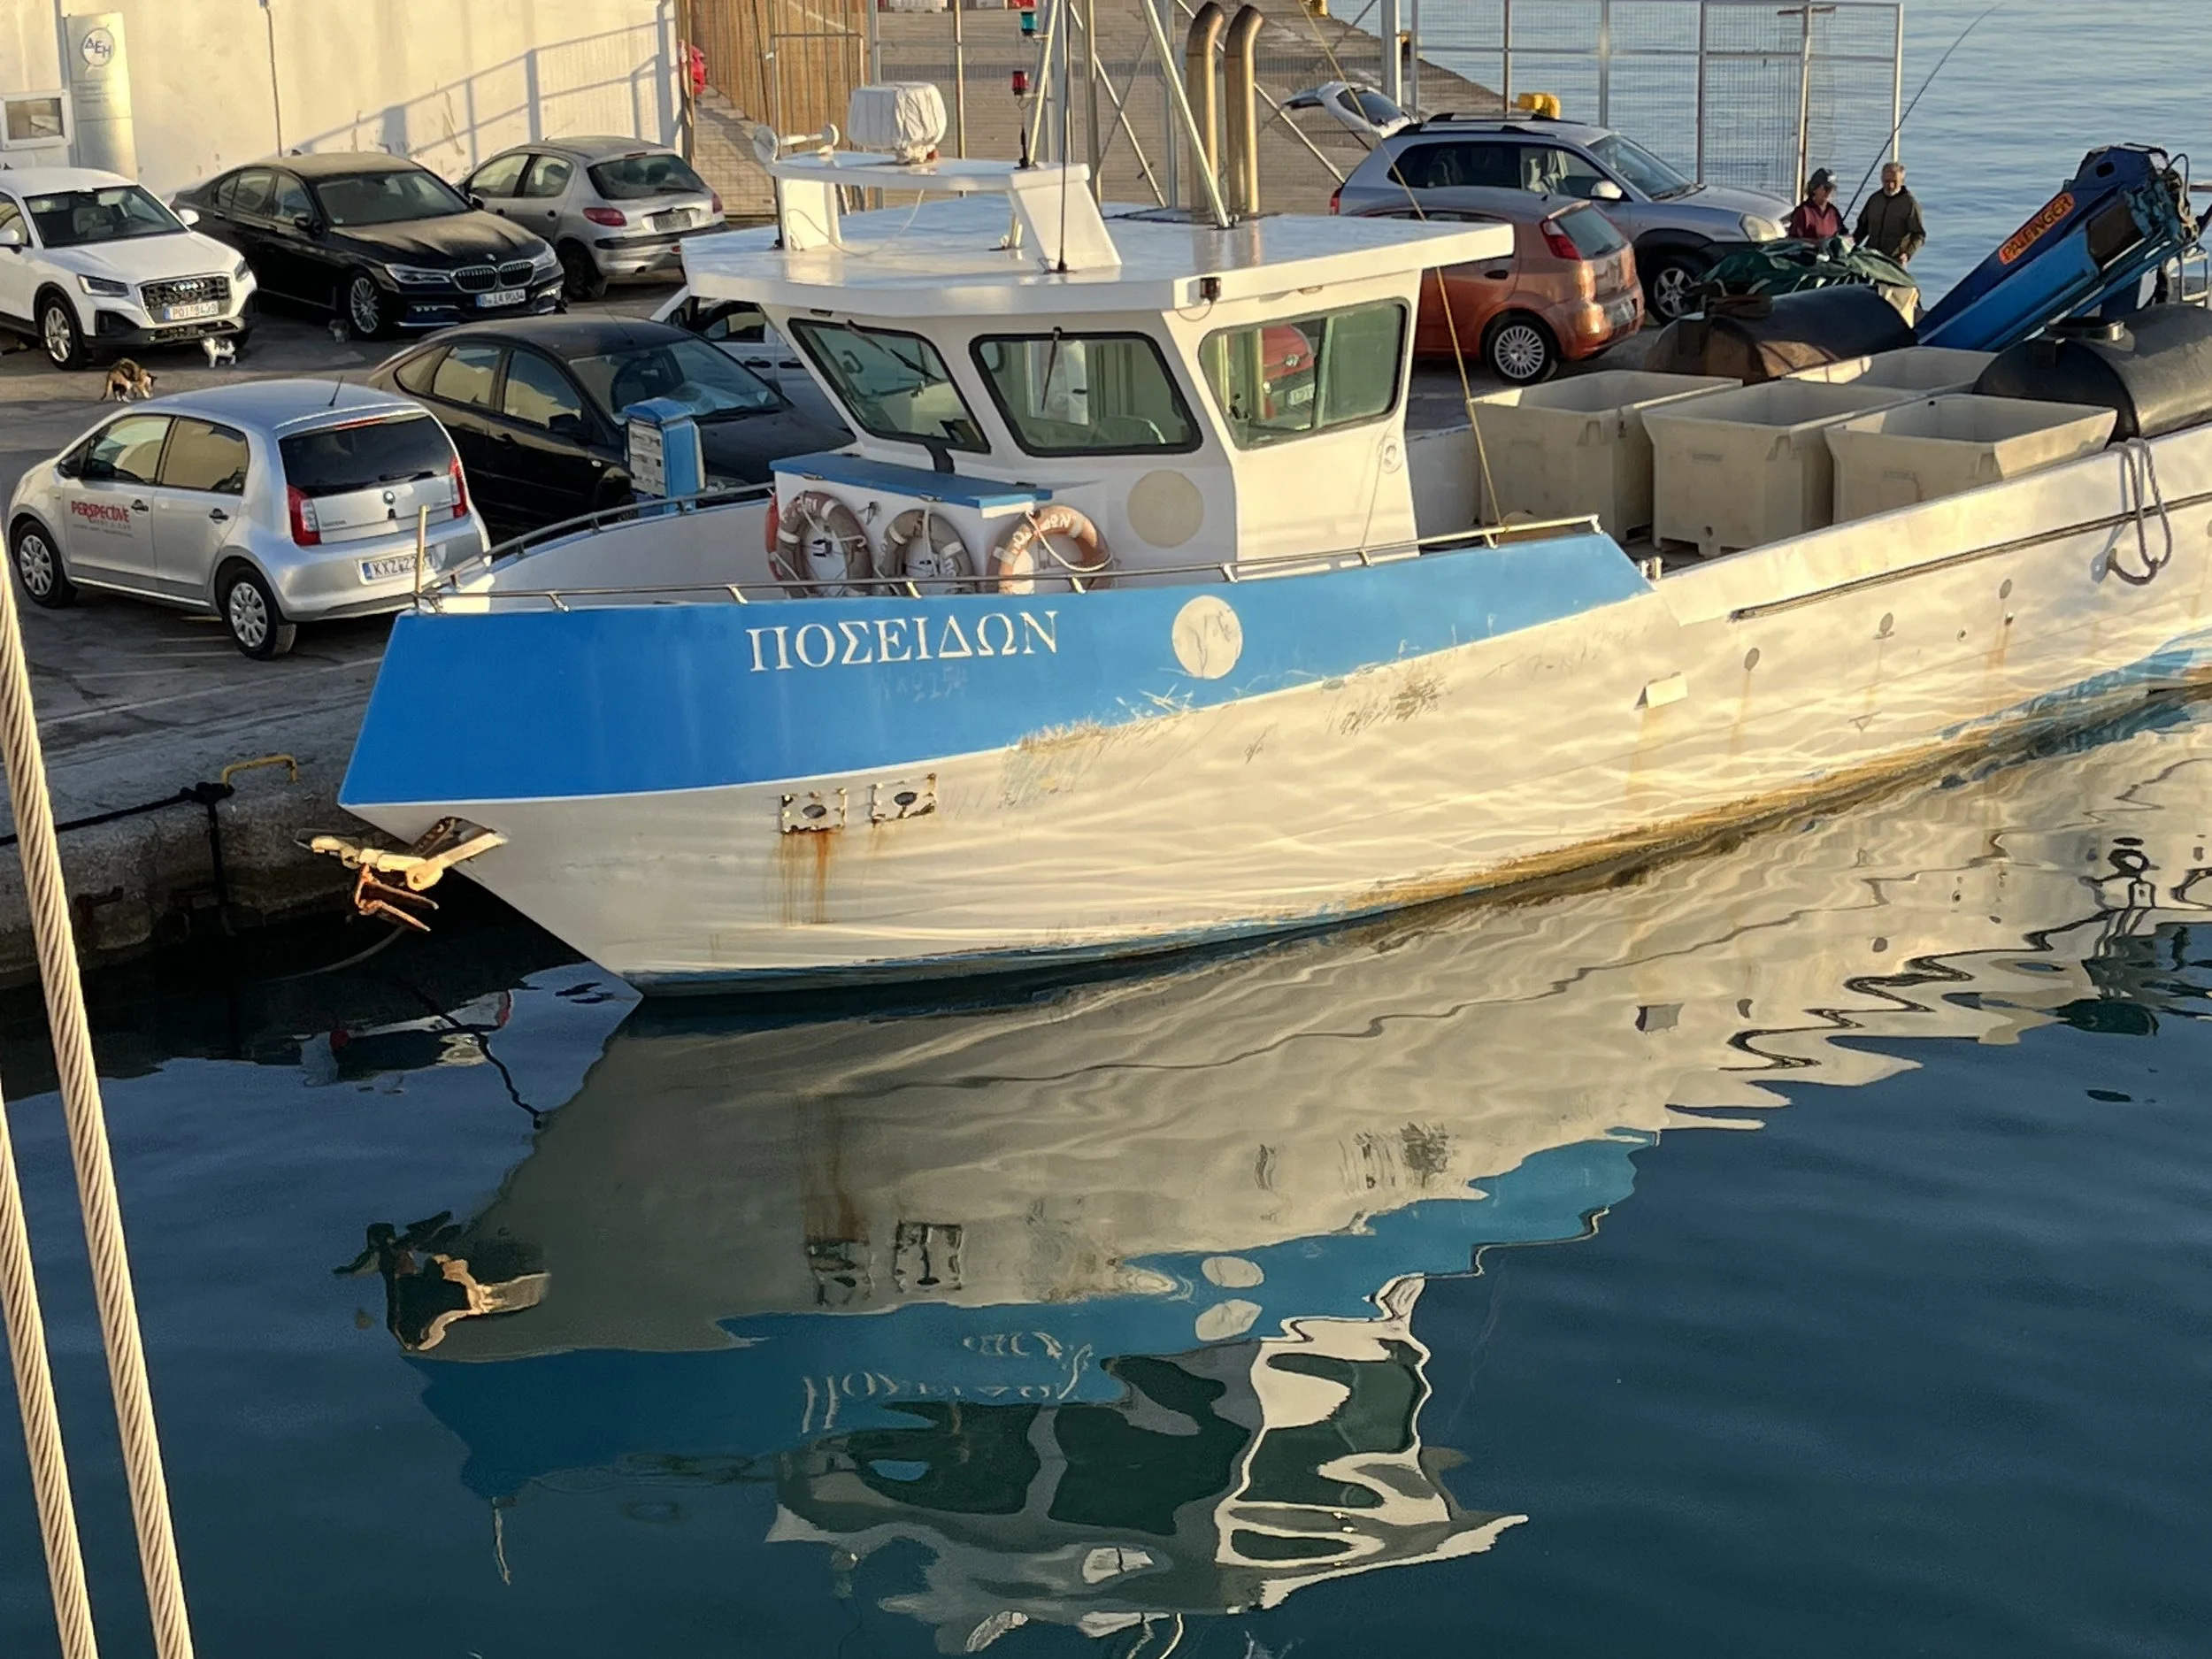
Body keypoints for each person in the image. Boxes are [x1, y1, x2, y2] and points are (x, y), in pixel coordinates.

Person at [1855, 162, 1927, 265]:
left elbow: (1919, 235)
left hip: (1894, 260)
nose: (1890, 185)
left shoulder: (1909, 204)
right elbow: (1862, 227)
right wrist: (1851, 244)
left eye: (1894, 181)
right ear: (1881, 179)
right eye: (1887, 181)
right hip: (1870, 257)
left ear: (1902, 181)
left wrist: (1907, 254)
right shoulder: (1875, 200)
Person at [1786, 168, 1845, 243]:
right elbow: (1794, 242)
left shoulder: (1833, 212)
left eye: (1832, 189)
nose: (1830, 192)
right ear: (1814, 189)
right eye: (1826, 188)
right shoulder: (1803, 212)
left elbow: (1844, 234)